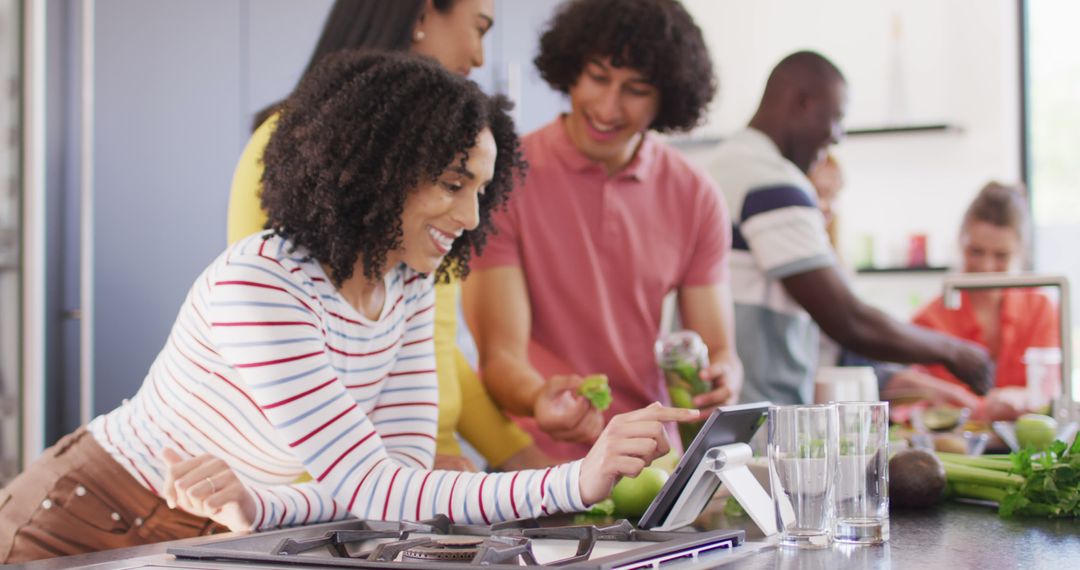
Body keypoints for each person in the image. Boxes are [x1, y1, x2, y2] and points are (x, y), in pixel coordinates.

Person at [0, 52, 697, 563]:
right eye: (453, 184)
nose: (470, 214)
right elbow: (380, 485)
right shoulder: (262, 285)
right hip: (88, 512)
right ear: (380, 171)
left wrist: (258, 506)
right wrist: (577, 477)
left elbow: (384, 480)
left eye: (482, 189)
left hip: (215, 526)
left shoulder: (407, 288)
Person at [227, 0, 549, 472]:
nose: (480, 58)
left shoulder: (439, 186)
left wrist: (524, 457)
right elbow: (280, 352)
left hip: (419, 473)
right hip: (325, 486)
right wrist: (413, 471)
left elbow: (436, 349)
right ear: (420, 17)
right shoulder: (291, 146)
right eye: (478, 29)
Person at [462, 0, 742, 461]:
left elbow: (718, 350)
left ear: (667, 98)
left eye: (636, 89)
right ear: (571, 70)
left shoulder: (695, 195)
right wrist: (542, 399)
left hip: (651, 459)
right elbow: (500, 358)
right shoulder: (504, 178)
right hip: (536, 463)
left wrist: (725, 376)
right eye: (597, 77)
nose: (608, 107)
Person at [705, 50, 993, 405]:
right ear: (802, 103)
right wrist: (954, 352)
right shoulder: (769, 181)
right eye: (836, 118)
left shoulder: (722, 165)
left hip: (723, 410)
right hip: (757, 414)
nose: (838, 136)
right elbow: (849, 320)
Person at [888, 183, 1059, 420]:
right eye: (976, 252)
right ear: (960, 243)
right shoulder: (929, 319)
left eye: (1001, 256)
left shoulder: (1040, 309)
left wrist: (1021, 396)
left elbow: (1050, 391)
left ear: (1020, 251)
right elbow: (912, 405)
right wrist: (977, 407)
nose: (986, 267)